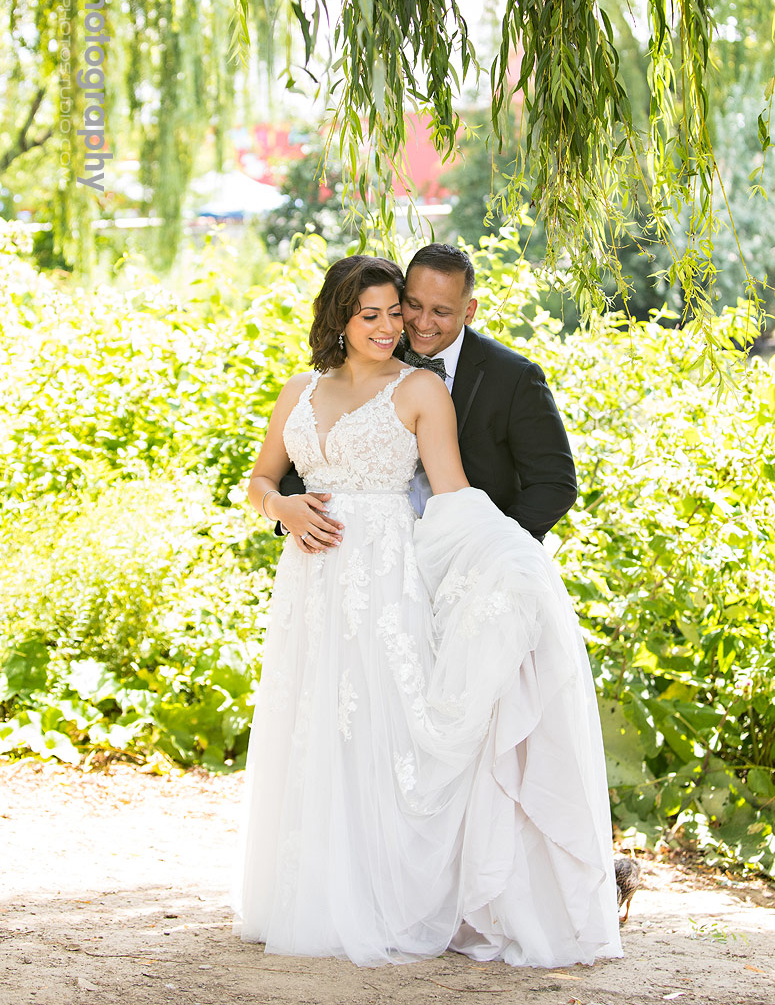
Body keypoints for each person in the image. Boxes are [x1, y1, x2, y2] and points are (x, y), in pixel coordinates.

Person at [232, 254, 621, 968]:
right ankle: (313, 893)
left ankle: (396, 897)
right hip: (309, 582)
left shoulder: (423, 389)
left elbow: (455, 496)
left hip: (389, 579)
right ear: (340, 318)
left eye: (399, 312)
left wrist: (507, 569)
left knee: (388, 732)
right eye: (375, 313)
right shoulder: (298, 389)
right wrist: (281, 508)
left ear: (466, 310)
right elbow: (260, 478)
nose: (395, 325)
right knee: (310, 727)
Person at [276, 242, 577, 544]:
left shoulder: (514, 378)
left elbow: (554, 484)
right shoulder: (374, 350)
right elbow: (311, 452)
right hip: (365, 547)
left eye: (441, 312)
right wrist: (295, 512)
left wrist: (492, 548)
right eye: (413, 305)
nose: (422, 323)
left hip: (464, 548)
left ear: (469, 311)